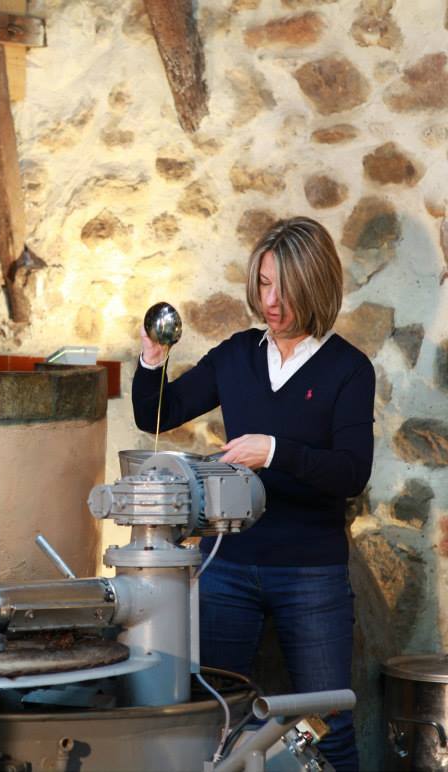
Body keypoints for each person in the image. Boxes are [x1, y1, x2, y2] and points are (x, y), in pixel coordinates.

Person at [132, 216, 374, 771]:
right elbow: (155, 413)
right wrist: (151, 359)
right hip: (227, 566)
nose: (272, 300)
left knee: (328, 726)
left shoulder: (348, 370)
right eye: (264, 283)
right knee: (217, 719)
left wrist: (275, 451)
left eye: (285, 287)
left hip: (312, 573)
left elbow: (351, 473)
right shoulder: (237, 355)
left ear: (316, 285)